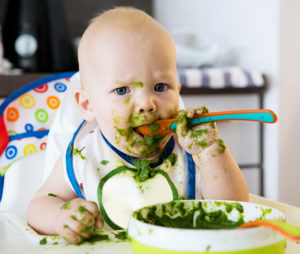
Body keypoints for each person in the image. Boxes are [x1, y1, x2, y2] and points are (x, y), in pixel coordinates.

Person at [27, 7, 249, 244]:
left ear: (178, 91)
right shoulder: (84, 156)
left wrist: (210, 152)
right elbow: (38, 206)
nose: (146, 103)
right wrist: (61, 217)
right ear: (88, 105)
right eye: (122, 90)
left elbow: (236, 208)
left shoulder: (191, 152)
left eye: (161, 87)